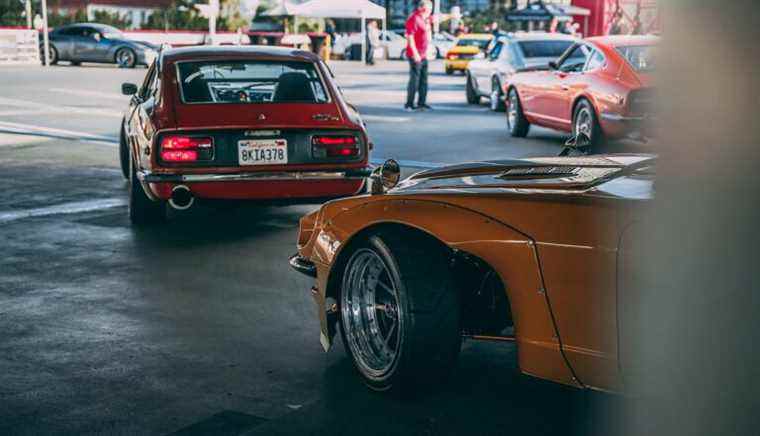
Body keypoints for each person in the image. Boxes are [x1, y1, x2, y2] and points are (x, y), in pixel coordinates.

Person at [405, 0, 433, 111]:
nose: (430, 11)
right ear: (422, 8)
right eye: (428, 9)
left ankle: (422, 103)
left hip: (424, 54)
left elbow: (439, 17)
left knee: (424, 80)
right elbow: (410, 37)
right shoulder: (414, 18)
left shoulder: (425, 19)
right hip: (415, 54)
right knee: (414, 80)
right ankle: (409, 104)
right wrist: (415, 53)